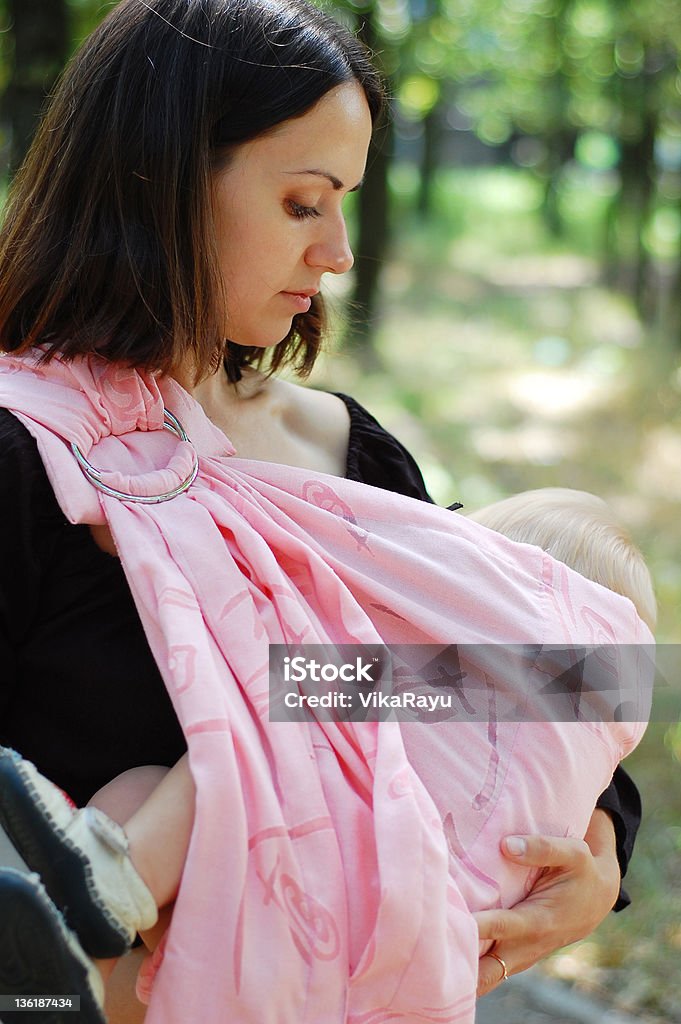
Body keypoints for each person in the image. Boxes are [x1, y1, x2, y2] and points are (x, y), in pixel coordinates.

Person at [0, 0, 651, 1020]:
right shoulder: (27, 459)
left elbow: (504, 684)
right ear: (160, 187)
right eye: (304, 204)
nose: (339, 251)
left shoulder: (344, 455)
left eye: (344, 202)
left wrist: (602, 851)